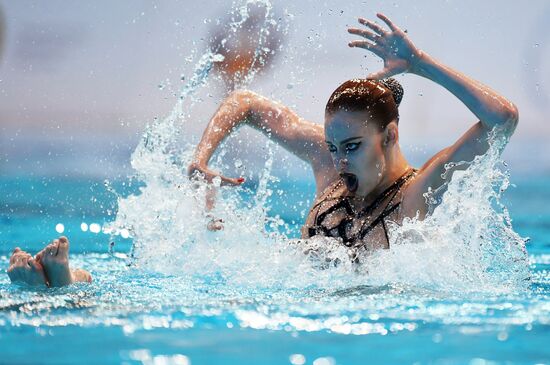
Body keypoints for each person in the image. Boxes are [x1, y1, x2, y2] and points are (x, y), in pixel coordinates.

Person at [7, 13, 518, 287]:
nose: (338, 159)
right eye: (334, 145)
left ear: (390, 137)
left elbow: (503, 119)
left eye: (353, 146)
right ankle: (66, 286)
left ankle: (64, 288)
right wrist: (202, 158)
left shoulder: (417, 193)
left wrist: (421, 64)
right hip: (289, 294)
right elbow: (245, 102)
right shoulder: (328, 162)